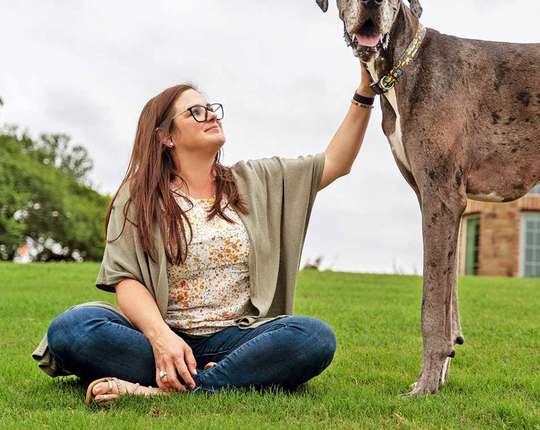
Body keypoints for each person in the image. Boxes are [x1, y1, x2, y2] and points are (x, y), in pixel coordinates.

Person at [37, 63, 377, 404]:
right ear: (166, 136)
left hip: (237, 340)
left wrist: (365, 91)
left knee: (313, 337)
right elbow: (126, 280)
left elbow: (336, 162)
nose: (211, 116)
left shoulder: (257, 180)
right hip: (157, 338)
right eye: (195, 112)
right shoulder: (137, 195)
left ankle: (165, 391)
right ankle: (216, 376)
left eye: (212, 109)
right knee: (71, 329)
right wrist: (162, 339)